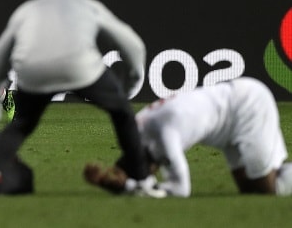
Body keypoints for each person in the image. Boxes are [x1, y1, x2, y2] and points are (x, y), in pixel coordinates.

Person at [0, 0, 164, 197]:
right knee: (122, 115)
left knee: (20, 125)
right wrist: (125, 90)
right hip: (80, 66)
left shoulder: (27, 9)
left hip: (34, 69)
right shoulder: (86, 3)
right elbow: (134, 45)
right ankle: (141, 180)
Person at [85, 78, 292, 197]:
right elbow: (135, 163)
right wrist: (115, 182)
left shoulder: (166, 137)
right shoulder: (140, 129)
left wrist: (129, 187)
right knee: (249, 189)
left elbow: (181, 189)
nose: (154, 174)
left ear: (149, 167)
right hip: (230, 116)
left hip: (247, 106)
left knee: (268, 189)